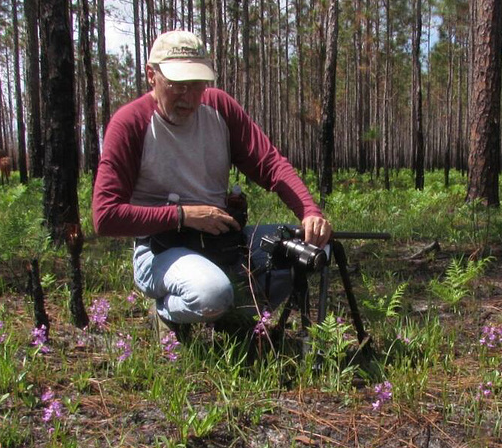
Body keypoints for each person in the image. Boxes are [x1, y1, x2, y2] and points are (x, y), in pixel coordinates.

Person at [92, 29, 332, 340]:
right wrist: (183, 215)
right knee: (212, 294)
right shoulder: (131, 123)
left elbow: (269, 163)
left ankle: (232, 315)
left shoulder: (219, 108)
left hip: (222, 243)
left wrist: (309, 210)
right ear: (152, 75)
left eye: (197, 85)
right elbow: (105, 216)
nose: (189, 98)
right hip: (159, 248)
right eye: (178, 86)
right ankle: (167, 312)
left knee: (303, 252)